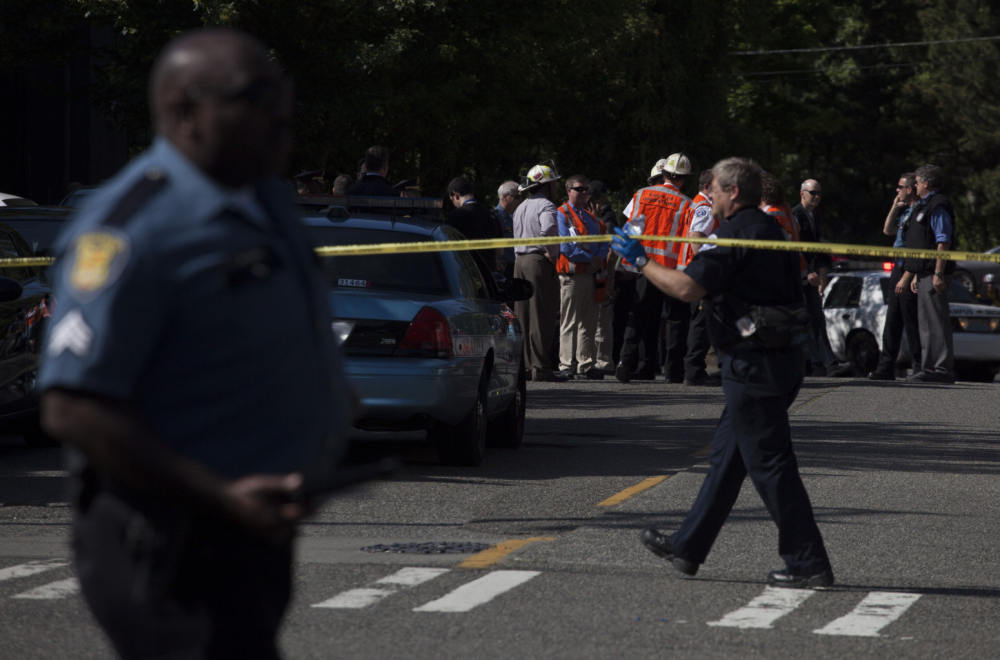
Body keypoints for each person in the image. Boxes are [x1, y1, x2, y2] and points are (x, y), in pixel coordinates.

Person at [37, 28, 350, 659]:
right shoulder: (132, 230)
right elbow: (72, 405)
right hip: (169, 540)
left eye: (282, 92)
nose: (279, 111)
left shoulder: (265, 197)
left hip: (249, 532)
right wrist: (216, 493)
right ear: (186, 110)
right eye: (255, 96)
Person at [612, 157, 833, 589]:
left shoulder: (734, 235)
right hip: (778, 359)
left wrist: (639, 260)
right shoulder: (772, 227)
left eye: (712, 189)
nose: (707, 195)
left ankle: (808, 562)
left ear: (732, 192)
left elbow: (686, 288)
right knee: (726, 461)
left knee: (770, 466)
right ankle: (688, 547)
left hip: (755, 364)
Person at [615, 154, 693, 384]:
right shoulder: (687, 203)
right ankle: (673, 372)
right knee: (675, 319)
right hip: (671, 269)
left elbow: (630, 223)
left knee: (640, 315)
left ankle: (625, 361)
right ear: (683, 179)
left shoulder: (641, 194)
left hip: (644, 265)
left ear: (664, 174)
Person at [898, 164, 957, 383]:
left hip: (934, 273)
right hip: (922, 273)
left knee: (936, 320)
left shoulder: (938, 205)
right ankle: (928, 367)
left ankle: (942, 369)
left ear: (926, 183)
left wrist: (938, 273)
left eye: (917, 180)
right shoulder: (923, 205)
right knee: (925, 322)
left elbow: (943, 241)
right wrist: (915, 273)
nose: (914, 184)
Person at [792, 179, 851, 377]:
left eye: (819, 193)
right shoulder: (795, 215)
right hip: (798, 276)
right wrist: (806, 271)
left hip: (811, 276)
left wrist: (820, 269)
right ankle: (811, 363)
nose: (816, 196)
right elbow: (795, 248)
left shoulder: (815, 215)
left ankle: (826, 363)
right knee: (800, 320)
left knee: (817, 318)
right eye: (812, 193)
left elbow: (816, 248)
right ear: (802, 193)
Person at [513, 162, 567, 382]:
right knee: (542, 315)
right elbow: (548, 231)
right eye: (553, 182)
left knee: (523, 315)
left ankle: (525, 366)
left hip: (520, 262)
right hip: (538, 263)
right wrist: (552, 255)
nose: (556, 186)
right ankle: (541, 367)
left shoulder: (520, 207)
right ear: (546, 186)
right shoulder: (547, 206)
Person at [868, 173, 922, 380]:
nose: (896, 190)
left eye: (900, 187)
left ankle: (918, 367)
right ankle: (886, 367)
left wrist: (909, 275)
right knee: (892, 319)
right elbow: (887, 230)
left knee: (911, 319)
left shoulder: (920, 211)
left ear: (910, 189)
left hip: (910, 267)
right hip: (897, 267)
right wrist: (895, 207)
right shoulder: (905, 210)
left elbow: (920, 247)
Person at [555, 175, 608, 380]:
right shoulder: (562, 214)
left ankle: (586, 364)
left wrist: (597, 259)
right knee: (569, 321)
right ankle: (566, 364)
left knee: (589, 322)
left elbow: (604, 241)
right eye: (580, 189)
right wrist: (590, 259)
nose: (585, 193)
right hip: (572, 276)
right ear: (569, 191)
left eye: (586, 189)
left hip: (590, 275)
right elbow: (566, 247)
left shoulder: (590, 217)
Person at [679, 170, 720, 386]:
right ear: (706, 187)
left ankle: (693, 369)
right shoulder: (704, 207)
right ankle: (694, 371)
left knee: (701, 320)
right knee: (701, 322)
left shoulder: (696, 204)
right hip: (699, 273)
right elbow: (696, 238)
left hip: (692, 271)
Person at [444, 177, 504, 273]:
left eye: (452, 200)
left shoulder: (455, 216)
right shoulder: (491, 215)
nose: (454, 204)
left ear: (455, 195)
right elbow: (500, 252)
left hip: (467, 274)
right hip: (489, 274)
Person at [587, 180, 617, 373]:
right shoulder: (595, 217)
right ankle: (592, 360)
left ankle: (603, 362)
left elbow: (612, 252)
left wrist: (610, 279)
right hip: (593, 272)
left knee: (601, 319)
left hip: (602, 274)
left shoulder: (607, 219)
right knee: (595, 319)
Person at [495, 181, 522, 279]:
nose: (521, 200)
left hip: (518, 267)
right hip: (504, 270)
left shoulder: (519, 215)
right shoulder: (494, 217)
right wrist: (494, 260)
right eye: (517, 197)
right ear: (505, 197)